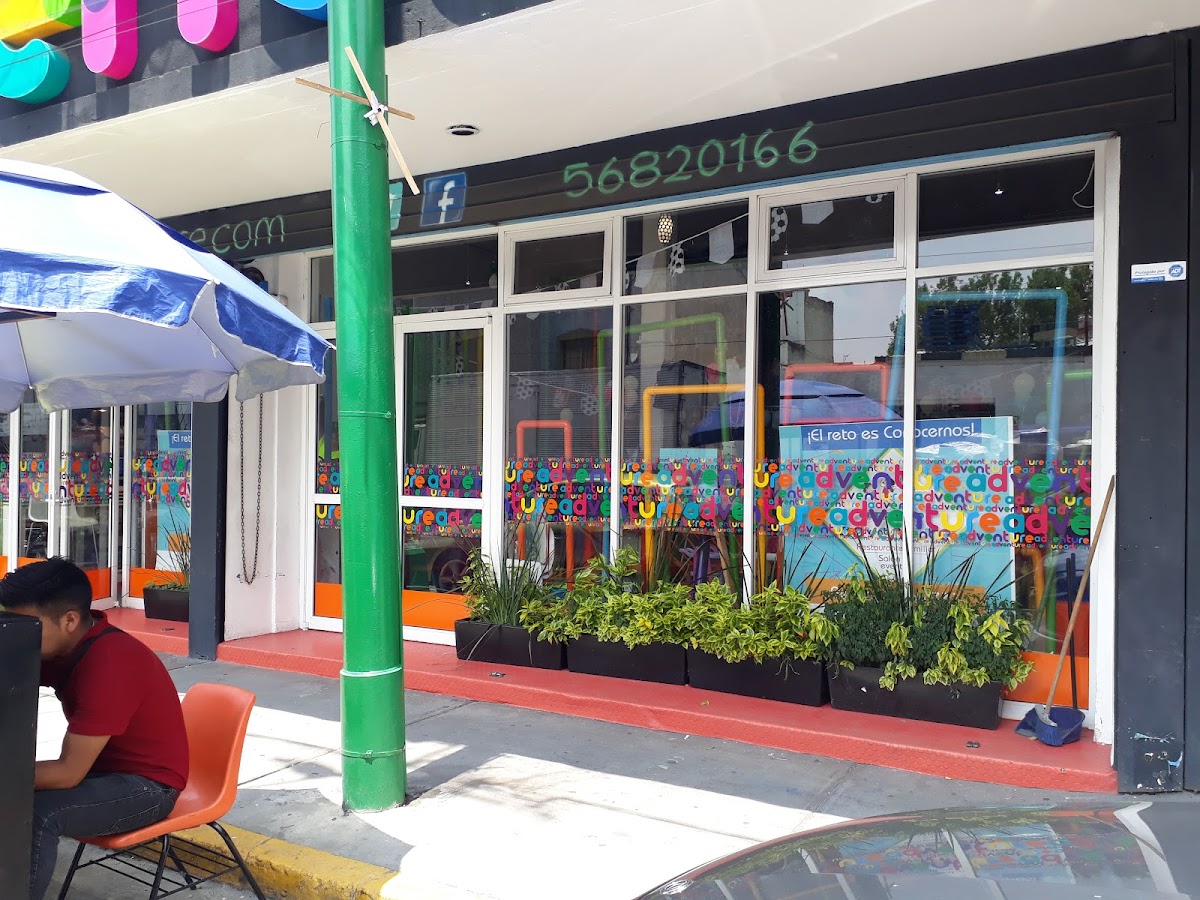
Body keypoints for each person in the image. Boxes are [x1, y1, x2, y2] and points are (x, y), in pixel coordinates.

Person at [0, 558, 189, 900]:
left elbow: (67, 773)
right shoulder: (63, 645)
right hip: (102, 771)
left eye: (26, 626)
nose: (17, 635)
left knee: (40, 812)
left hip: (148, 787)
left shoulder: (110, 664)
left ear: (69, 620)